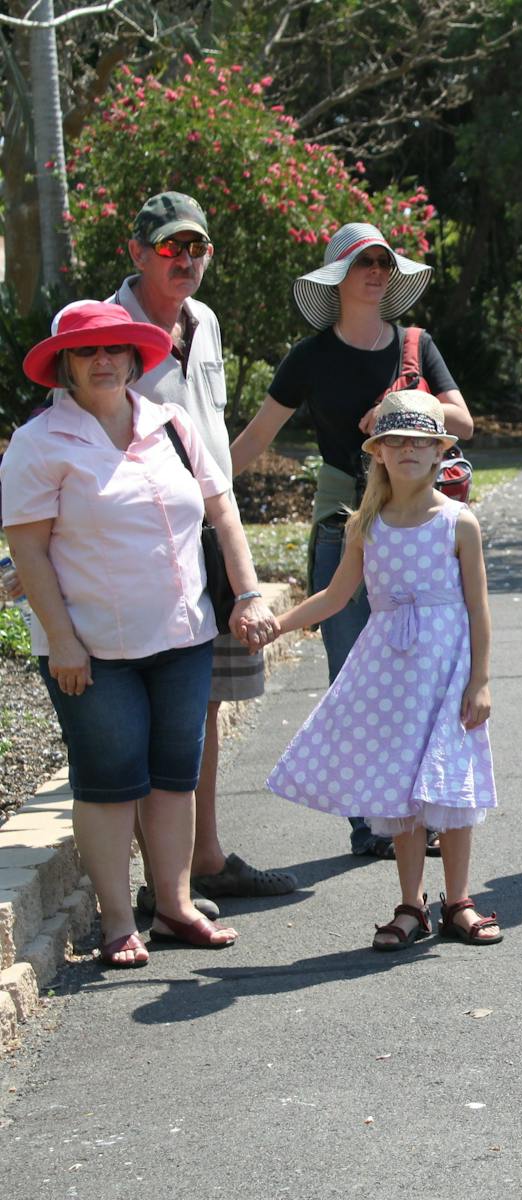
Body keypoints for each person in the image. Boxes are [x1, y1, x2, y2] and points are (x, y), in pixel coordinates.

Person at [1, 301, 278, 966]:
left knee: (173, 777)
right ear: (64, 366)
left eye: (115, 349)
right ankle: (121, 922)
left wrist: (247, 592)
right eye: (88, 352)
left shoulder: (172, 425)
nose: (104, 361)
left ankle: (176, 906)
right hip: (91, 650)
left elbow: (222, 512)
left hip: (182, 637)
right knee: (108, 780)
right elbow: (29, 552)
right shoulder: (40, 444)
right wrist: (62, 641)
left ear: (134, 359)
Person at [231, 222, 473, 859]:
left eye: (384, 262)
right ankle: (373, 819)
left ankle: (422, 807)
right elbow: (257, 437)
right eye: (364, 262)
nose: (376, 271)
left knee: (425, 672)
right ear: (338, 276)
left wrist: (405, 398)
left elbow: (464, 421)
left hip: (417, 522)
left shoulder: (417, 344)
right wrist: (198, 493)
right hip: (346, 518)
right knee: (354, 675)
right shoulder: (310, 357)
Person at [112, 191, 297, 912]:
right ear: (136, 253)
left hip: (211, 535)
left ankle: (205, 855)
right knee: (151, 706)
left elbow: (211, 439)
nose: (185, 260)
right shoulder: (108, 330)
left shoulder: (206, 321)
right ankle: (164, 881)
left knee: (208, 700)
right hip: (144, 543)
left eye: (196, 248)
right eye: (169, 248)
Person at [266, 391, 500, 947]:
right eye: (396, 441)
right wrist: (278, 625)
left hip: (448, 673)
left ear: (442, 451)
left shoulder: (458, 522)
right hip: (390, 676)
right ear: (378, 453)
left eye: (423, 441)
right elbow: (335, 596)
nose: (409, 450)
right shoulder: (365, 525)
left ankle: (459, 901)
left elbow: (478, 607)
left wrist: (481, 679)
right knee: (401, 792)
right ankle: (411, 905)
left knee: (452, 788)